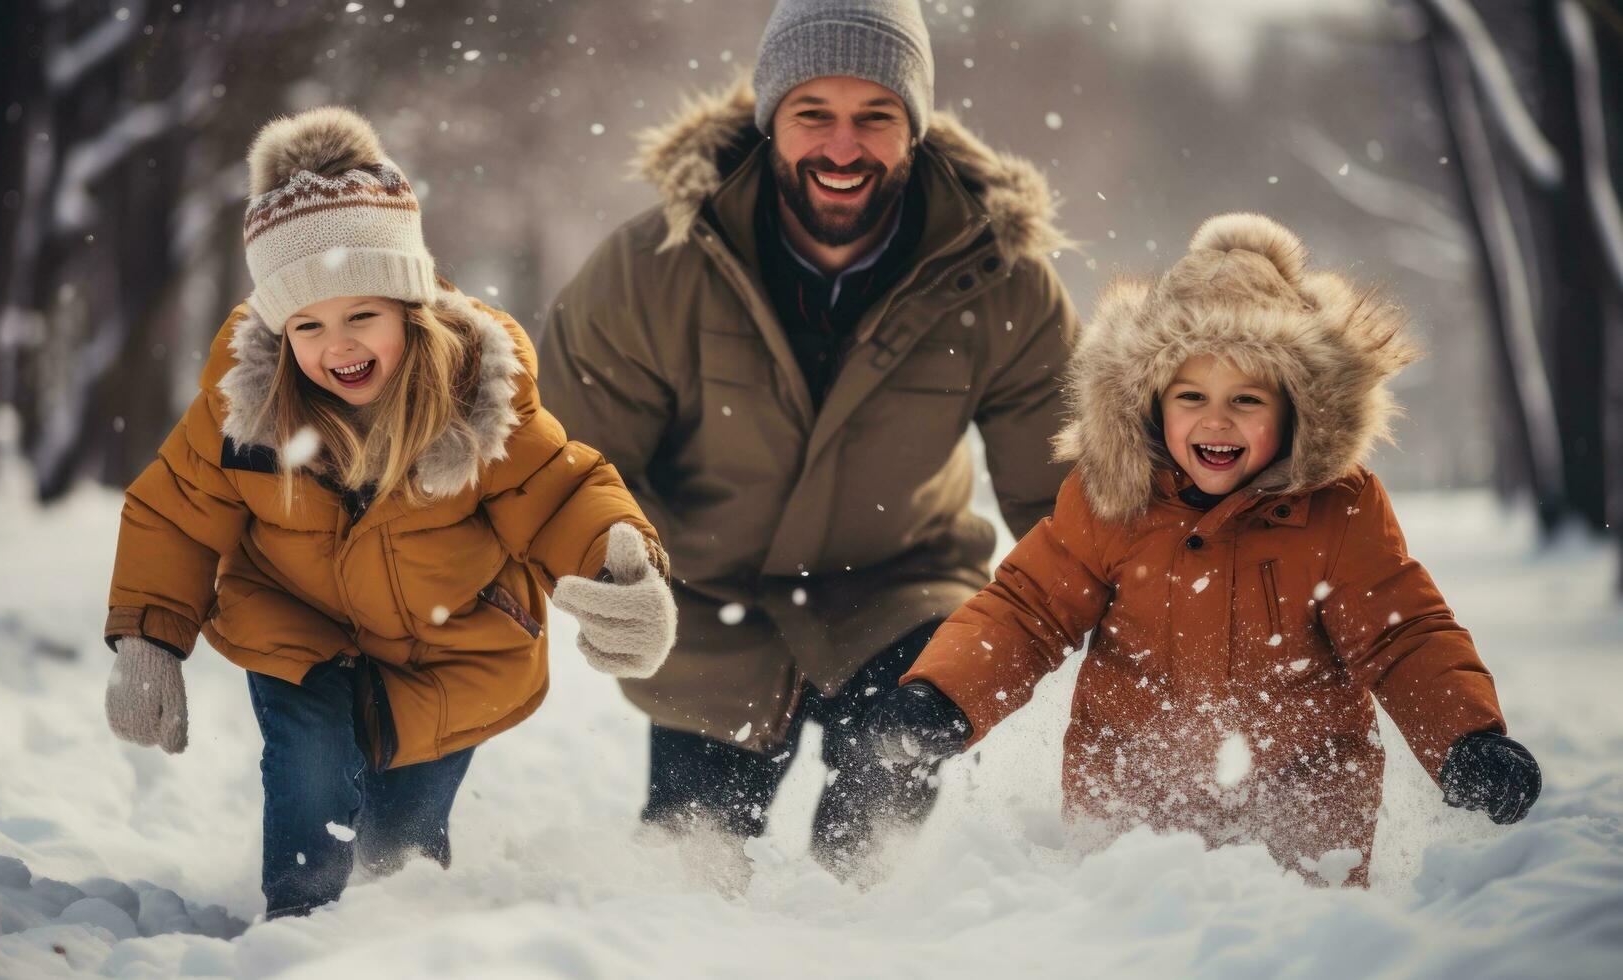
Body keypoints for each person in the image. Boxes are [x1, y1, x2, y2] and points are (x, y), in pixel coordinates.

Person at [539, 0, 1078, 875]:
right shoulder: (650, 269)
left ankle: (872, 927)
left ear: (915, 129)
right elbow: (574, 463)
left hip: (902, 590)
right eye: (812, 114)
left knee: (875, 841)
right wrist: (615, 568)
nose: (841, 147)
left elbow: (1063, 496)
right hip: (709, 606)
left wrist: (1152, 596)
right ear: (768, 120)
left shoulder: (999, 278)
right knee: (687, 869)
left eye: (875, 116)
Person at [100, 107, 678, 918]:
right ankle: (296, 925)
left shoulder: (478, 392)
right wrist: (148, 638)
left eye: (361, 315)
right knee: (309, 775)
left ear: (409, 306)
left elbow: (557, 489)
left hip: (447, 648)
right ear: (279, 328)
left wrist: (621, 563)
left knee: (399, 854)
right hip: (297, 623)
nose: (337, 345)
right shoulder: (248, 403)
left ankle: (398, 945)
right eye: (308, 324)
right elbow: (176, 510)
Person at [868, 212, 1542, 887]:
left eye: (1245, 399)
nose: (1215, 420)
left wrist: (1466, 739)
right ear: (1149, 404)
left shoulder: (1339, 509)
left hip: (1304, 798)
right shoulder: (1112, 499)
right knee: (1142, 939)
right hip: (1132, 786)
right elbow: (1027, 610)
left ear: (1297, 411)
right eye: (1190, 396)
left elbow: (1403, 638)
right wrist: (944, 697)